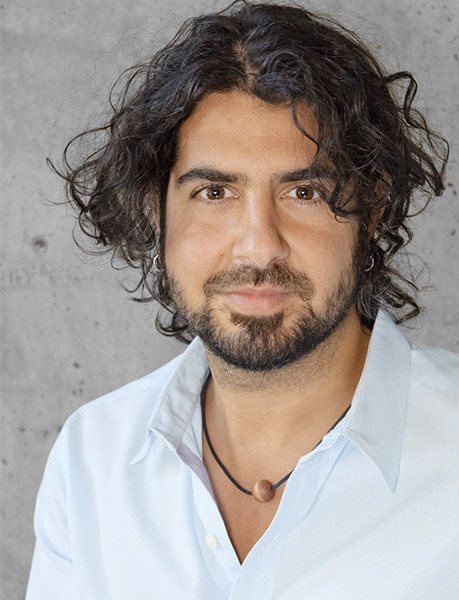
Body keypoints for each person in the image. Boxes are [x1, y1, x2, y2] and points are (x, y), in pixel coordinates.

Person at [26, 1, 458, 598]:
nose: (258, 248)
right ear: (157, 212)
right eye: (214, 192)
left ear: (374, 207)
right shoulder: (91, 460)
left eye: (305, 191)